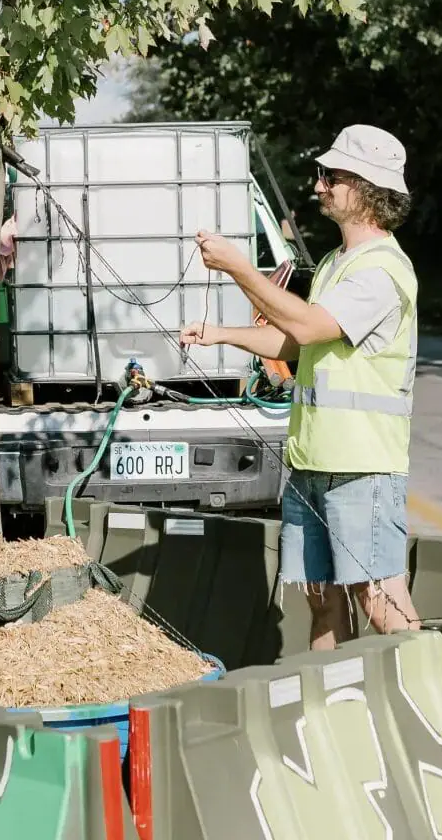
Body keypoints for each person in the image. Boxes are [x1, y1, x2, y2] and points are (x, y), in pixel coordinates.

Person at [180, 125, 421, 649]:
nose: (318, 186)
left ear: (367, 188)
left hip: (362, 468)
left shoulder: (382, 271)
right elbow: (294, 343)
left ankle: (428, 709)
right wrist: (221, 334)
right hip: (312, 462)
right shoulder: (338, 263)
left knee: (381, 605)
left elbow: (310, 326)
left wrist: (238, 268)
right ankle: (330, 718)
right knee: (324, 604)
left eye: (330, 177)